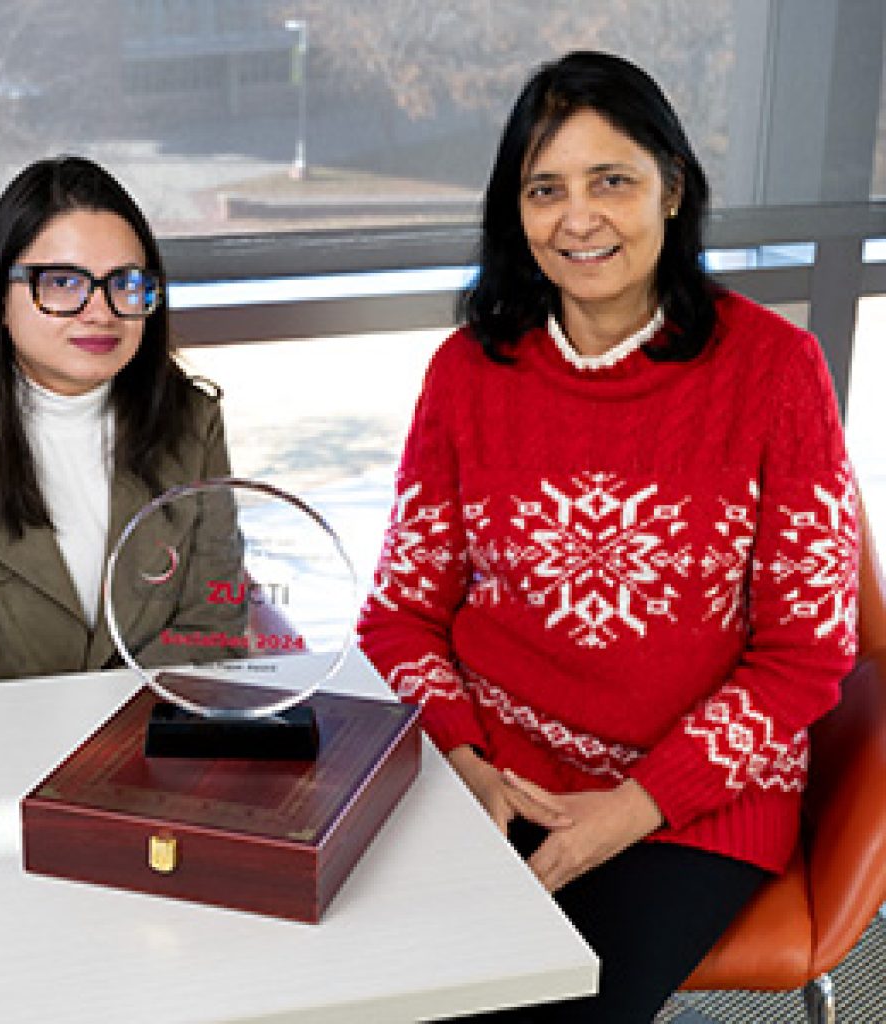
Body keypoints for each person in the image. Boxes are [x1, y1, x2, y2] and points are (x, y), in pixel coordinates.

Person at [357, 51, 858, 1022]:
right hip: (489, 774)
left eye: (611, 181)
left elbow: (806, 651)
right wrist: (465, 763)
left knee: (546, 1007)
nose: (576, 217)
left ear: (672, 188)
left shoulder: (775, 368)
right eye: (545, 189)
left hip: (696, 801)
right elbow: (400, 615)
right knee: (361, 985)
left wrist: (633, 806)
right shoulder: (467, 373)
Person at [0, 156, 243, 692]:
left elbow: (214, 630)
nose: (101, 311)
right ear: (0, 298)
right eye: (63, 282)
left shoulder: (192, 423)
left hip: (148, 751)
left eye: (125, 283)